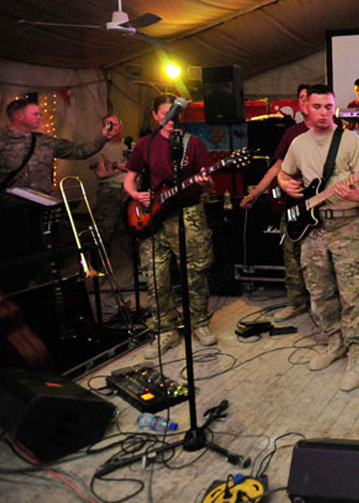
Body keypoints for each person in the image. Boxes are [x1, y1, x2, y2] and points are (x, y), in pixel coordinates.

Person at [278, 84, 359, 391]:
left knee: (353, 292)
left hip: (346, 225)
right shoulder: (298, 143)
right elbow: (284, 172)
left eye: (328, 107)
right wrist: (284, 184)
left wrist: (356, 190)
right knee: (319, 291)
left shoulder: (350, 140)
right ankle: (336, 341)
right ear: (305, 107)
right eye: (317, 106)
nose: (323, 113)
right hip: (313, 227)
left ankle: (357, 351)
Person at [123, 94, 217, 358]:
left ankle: (199, 323)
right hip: (154, 219)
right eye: (165, 113)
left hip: (188, 213)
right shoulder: (145, 144)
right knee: (156, 277)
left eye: (175, 113)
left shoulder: (193, 143)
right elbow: (129, 179)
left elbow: (207, 181)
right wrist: (135, 195)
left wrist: (205, 181)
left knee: (195, 273)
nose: (171, 119)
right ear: (155, 115)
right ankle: (165, 330)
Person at [240, 84, 312, 322]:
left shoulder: (332, 131)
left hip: (321, 204)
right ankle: (295, 302)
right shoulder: (292, 133)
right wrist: (257, 192)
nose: (303, 103)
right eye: (300, 99)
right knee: (291, 253)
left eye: (307, 98)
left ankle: (323, 304)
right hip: (293, 204)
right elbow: (277, 167)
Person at [1, 98, 119, 196]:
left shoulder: (44, 141)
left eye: (39, 114)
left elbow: (79, 152)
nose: (39, 117)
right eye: (35, 114)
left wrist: (102, 138)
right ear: (18, 116)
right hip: (9, 205)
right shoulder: (3, 139)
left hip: (40, 204)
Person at [92, 118, 129, 255]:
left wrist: (112, 165)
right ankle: (101, 264)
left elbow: (138, 167)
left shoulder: (130, 145)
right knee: (104, 230)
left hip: (130, 191)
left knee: (134, 229)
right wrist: (124, 166)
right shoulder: (99, 148)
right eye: (109, 124)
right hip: (109, 191)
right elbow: (101, 173)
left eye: (115, 124)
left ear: (121, 126)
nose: (112, 127)